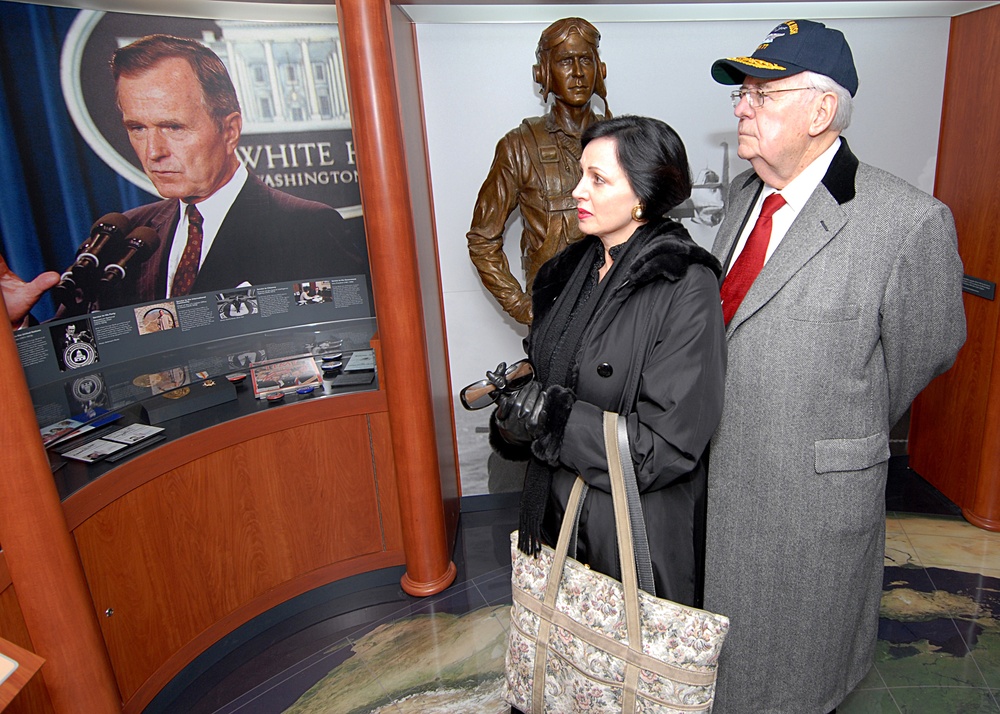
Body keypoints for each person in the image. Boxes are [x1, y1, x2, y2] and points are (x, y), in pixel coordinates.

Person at [703, 20, 967, 714]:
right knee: (722, 662)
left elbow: (926, 349)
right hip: (716, 484)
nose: (741, 107)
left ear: (822, 111)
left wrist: (831, 420)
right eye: (741, 94)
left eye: (761, 93)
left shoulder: (906, 221)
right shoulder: (740, 197)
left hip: (809, 504)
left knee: (798, 674)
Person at [489, 115, 726, 617]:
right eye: (580, 174)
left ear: (642, 195)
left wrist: (553, 420)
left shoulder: (685, 284)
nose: (577, 191)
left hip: (627, 534)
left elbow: (667, 446)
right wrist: (516, 420)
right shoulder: (566, 271)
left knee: (622, 683)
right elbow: (549, 377)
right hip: (555, 521)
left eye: (597, 179)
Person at [2, 34, 369, 326]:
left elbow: (345, 348)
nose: (153, 151)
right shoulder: (123, 235)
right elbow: (78, 359)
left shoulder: (306, 227)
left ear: (229, 130)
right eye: (137, 128)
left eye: (172, 127)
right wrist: (17, 324)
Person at [467, 17, 610, 325]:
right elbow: (482, 239)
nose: (577, 73)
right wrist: (521, 305)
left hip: (617, 316)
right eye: (564, 61)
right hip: (554, 318)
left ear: (600, 69)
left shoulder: (624, 140)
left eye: (585, 60)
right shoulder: (519, 146)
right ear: (543, 73)